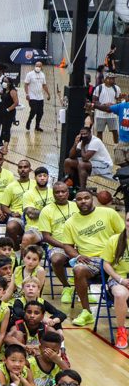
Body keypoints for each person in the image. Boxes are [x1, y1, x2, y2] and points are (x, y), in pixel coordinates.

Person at [60, 189, 125, 327]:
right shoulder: (70, 222)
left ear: (93, 199)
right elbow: (67, 245)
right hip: (92, 260)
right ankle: (87, 312)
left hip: (115, 258)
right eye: (79, 199)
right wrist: (77, 255)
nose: (83, 201)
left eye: (86, 198)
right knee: (78, 270)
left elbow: (124, 235)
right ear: (75, 202)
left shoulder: (109, 213)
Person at [100, 208, 129, 349]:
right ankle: (122, 331)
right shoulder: (115, 240)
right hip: (119, 279)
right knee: (120, 294)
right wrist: (120, 280)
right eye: (128, 220)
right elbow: (106, 264)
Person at [64, 124, 114, 188]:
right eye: (82, 134)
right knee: (68, 161)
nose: (84, 136)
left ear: (90, 133)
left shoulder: (95, 141)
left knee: (82, 164)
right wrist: (75, 143)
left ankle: (82, 189)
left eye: (85, 134)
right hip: (91, 163)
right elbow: (71, 156)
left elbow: (85, 158)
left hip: (104, 165)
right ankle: (70, 185)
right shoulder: (82, 140)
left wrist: (82, 146)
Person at [90, 74, 121, 144]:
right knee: (99, 132)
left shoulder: (117, 88)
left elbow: (119, 101)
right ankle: (100, 147)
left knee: (115, 132)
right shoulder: (99, 88)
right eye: (111, 78)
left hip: (112, 115)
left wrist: (113, 105)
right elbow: (94, 101)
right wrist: (104, 106)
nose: (113, 80)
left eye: (113, 78)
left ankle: (117, 148)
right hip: (100, 115)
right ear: (106, 79)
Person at [22, 61, 50, 132]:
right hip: (32, 96)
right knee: (33, 110)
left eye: (39, 66)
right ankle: (29, 121)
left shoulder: (42, 74)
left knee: (40, 112)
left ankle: (37, 126)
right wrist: (27, 94)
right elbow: (26, 84)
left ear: (41, 67)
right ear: (35, 66)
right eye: (37, 66)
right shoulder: (30, 74)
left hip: (40, 97)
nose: (38, 67)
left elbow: (44, 85)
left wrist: (48, 94)